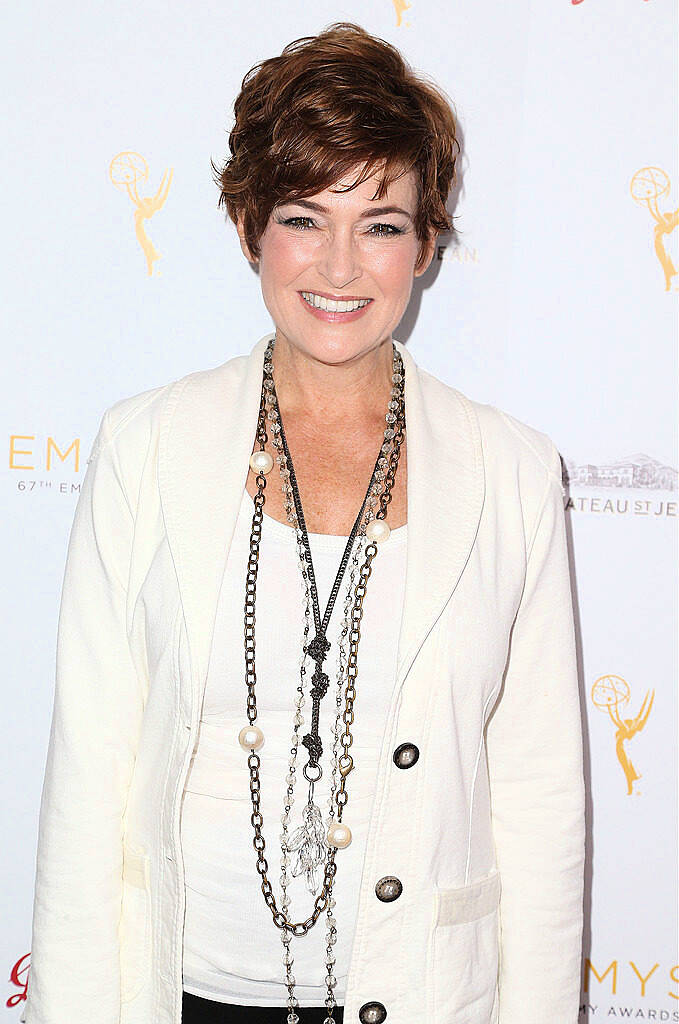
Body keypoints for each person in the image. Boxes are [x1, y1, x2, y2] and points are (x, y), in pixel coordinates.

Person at [20, 20, 586, 1024]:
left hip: (419, 996)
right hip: (186, 992)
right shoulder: (146, 445)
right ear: (248, 230)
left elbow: (540, 804)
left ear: (424, 243)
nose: (339, 265)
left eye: (379, 222)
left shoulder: (511, 472)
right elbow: (88, 786)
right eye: (301, 217)